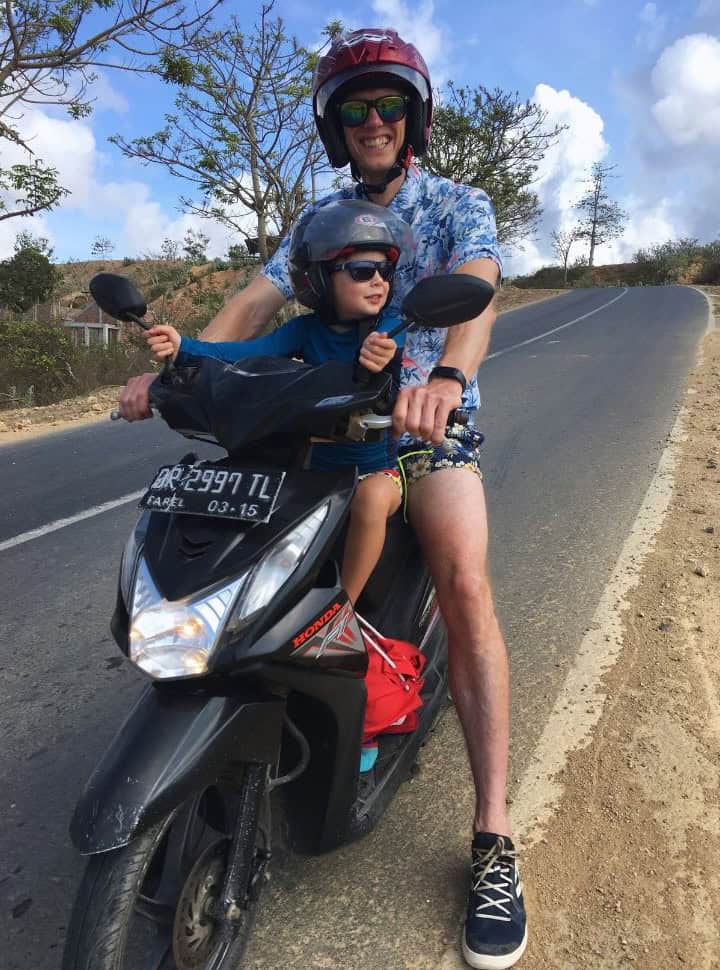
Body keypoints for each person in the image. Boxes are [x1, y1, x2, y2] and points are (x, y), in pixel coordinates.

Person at [119, 27, 527, 970]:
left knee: (465, 586)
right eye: (355, 108)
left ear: (412, 117)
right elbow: (255, 309)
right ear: (335, 126)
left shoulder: (456, 202)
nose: (373, 121)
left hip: (420, 429)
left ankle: (494, 839)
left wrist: (447, 384)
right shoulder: (319, 217)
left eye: (388, 105)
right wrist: (182, 371)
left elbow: (478, 291)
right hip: (312, 424)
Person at [144, 200, 411, 607]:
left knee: (371, 500)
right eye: (361, 271)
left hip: (375, 472)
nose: (378, 281)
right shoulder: (304, 330)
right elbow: (243, 354)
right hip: (311, 468)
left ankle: (343, 610)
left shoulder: (387, 329)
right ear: (322, 278)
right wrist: (184, 348)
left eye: (384, 271)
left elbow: (387, 350)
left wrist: (381, 354)